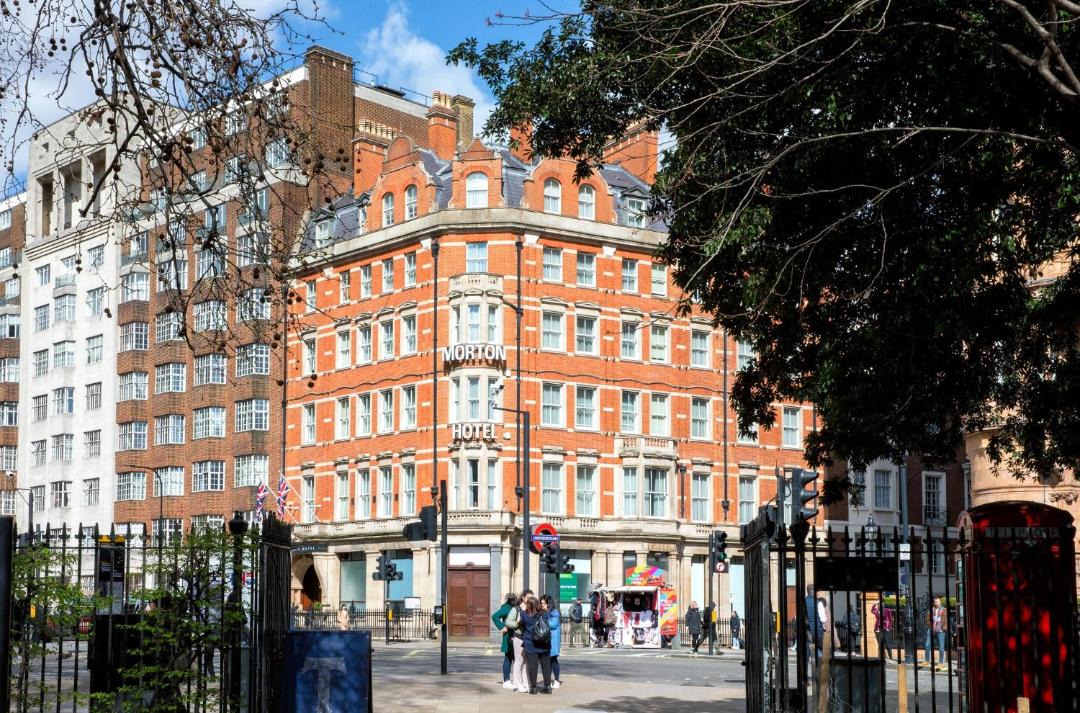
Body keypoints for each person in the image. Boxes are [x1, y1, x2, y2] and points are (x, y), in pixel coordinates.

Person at [521, 596, 553, 694]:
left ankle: (533, 688)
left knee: (532, 665)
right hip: (544, 643)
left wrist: (522, 610)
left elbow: (523, 622)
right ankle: (547, 687)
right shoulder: (545, 613)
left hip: (531, 644)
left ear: (529, 606)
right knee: (546, 665)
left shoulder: (526, 615)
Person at [508, 590, 533, 693]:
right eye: (529, 597)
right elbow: (508, 622)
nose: (531, 599)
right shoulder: (516, 609)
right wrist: (517, 623)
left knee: (527, 662)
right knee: (519, 661)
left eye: (532, 597)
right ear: (523, 597)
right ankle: (518, 684)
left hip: (529, 637)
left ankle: (527, 683)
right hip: (519, 637)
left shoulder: (532, 608)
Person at [491, 593, 518, 689]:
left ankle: (512, 679)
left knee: (513, 659)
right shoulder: (507, 608)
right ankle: (506, 680)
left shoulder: (512, 607)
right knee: (509, 658)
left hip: (515, 636)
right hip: (509, 636)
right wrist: (502, 627)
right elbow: (495, 616)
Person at [540, 594, 562, 688]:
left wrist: (542, 621)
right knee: (546, 660)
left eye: (544, 603)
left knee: (553, 660)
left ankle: (556, 680)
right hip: (545, 639)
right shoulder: (543, 612)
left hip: (552, 639)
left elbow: (553, 624)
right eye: (541, 603)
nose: (542, 605)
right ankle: (548, 681)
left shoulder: (554, 612)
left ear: (549, 603)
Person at [925, 597, 947, 666]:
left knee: (941, 647)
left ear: (940, 602)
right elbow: (928, 618)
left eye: (937, 601)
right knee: (927, 645)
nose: (936, 603)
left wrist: (943, 628)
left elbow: (946, 620)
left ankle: (940, 662)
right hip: (931, 629)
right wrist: (930, 626)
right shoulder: (932, 609)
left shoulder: (944, 609)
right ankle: (927, 661)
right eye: (935, 602)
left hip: (940, 630)